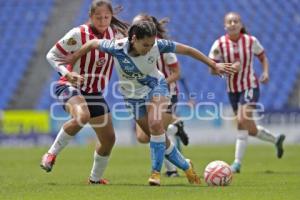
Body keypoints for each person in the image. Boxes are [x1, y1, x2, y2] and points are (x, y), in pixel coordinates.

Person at [63, 19, 236, 186]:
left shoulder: (158, 45)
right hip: (131, 97)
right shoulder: (116, 47)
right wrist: (74, 58)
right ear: (134, 39)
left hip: (156, 87)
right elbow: (93, 43)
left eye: (151, 44)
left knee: (155, 124)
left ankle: (155, 173)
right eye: (145, 45)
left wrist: (213, 64)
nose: (149, 49)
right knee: (156, 137)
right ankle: (185, 165)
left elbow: (188, 50)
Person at [40, 0, 129, 184]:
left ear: (111, 17)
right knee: (83, 116)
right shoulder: (78, 34)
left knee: (109, 139)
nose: (103, 21)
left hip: (94, 93)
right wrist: (67, 73)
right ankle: (50, 154)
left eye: (106, 17)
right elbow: (51, 55)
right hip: (69, 85)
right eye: (98, 17)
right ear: (90, 16)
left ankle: (94, 180)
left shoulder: (116, 34)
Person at [208, 12, 285, 173]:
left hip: (250, 84)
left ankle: (236, 163)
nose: (233, 24)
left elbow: (263, 57)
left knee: (242, 120)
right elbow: (212, 69)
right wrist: (227, 68)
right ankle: (276, 139)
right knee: (246, 127)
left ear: (241, 24)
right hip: (232, 90)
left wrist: (265, 72)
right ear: (225, 26)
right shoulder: (219, 44)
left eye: (236, 21)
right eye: (229, 21)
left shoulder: (251, 41)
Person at [132, 14, 189, 178]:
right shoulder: (133, 47)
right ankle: (174, 127)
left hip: (166, 94)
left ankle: (170, 170)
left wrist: (159, 84)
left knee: (155, 133)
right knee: (143, 137)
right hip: (144, 96)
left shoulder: (163, 47)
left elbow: (177, 73)